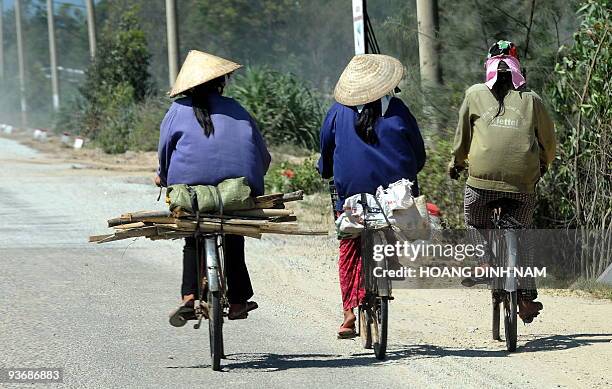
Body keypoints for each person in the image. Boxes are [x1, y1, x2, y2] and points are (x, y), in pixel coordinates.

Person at [155, 50, 271, 326]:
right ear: (222, 83)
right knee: (232, 233)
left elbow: (165, 153)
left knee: (192, 238)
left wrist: (162, 176)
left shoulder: (176, 111)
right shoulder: (238, 108)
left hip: (191, 193)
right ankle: (240, 300)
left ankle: (189, 296)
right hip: (237, 190)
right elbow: (262, 155)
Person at [318, 54, 426, 338]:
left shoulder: (337, 112)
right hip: (394, 197)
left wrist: (326, 169)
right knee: (388, 225)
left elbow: (326, 154)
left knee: (349, 246)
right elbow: (419, 155)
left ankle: (348, 313)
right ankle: (390, 263)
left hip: (352, 197)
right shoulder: (399, 110)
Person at [448, 40, 556, 323]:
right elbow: (549, 143)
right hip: (522, 184)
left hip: (481, 182)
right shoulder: (531, 99)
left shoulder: (474, 94)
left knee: (474, 220)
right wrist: (542, 165)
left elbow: (462, 140)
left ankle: (483, 261)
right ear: (518, 68)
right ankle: (525, 298)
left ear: (489, 67)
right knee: (523, 233)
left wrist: (456, 164)